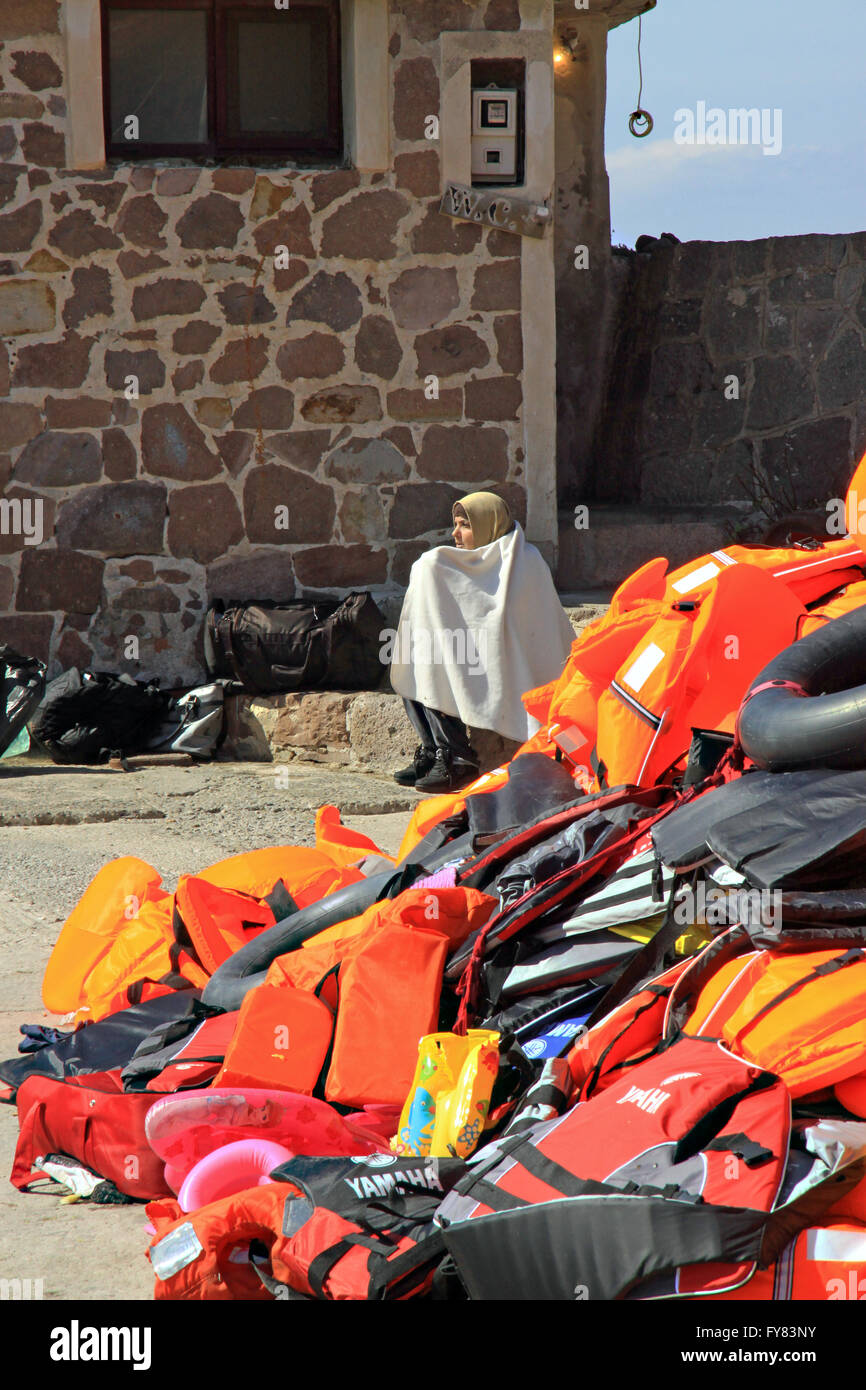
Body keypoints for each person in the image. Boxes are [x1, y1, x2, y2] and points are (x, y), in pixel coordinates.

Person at [389, 490, 575, 792]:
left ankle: (458, 759)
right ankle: (434, 749)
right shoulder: (454, 565)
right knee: (416, 651)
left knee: (439, 655)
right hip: (471, 654)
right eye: (456, 524)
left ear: (489, 525)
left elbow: (524, 628)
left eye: (465, 525)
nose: (455, 534)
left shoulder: (525, 562)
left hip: (505, 664)